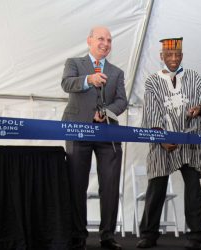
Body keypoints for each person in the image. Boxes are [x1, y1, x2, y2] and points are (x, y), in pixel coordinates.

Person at [136, 37, 201, 250]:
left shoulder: (194, 77)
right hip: (164, 142)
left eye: (177, 55)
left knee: (193, 190)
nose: (173, 58)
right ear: (161, 57)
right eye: (168, 55)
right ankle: (149, 235)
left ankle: (195, 236)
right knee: (156, 189)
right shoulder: (152, 81)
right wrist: (161, 139)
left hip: (189, 141)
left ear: (182, 56)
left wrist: (200, 109)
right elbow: (151, 112)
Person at [61, 26, 127, 250]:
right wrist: (89, 79)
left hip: (107, 133)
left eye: (109, 40)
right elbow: (66, 84)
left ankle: (107, 235)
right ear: (89, 40)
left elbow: (122, 101)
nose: (106, 43)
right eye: (101, 38)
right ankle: (77, 234)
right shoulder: (74, 63)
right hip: (77, 130)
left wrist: (106, 112)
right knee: (76, 183)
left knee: (110, 184)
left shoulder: (117, 72)